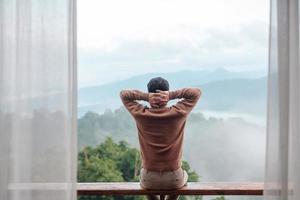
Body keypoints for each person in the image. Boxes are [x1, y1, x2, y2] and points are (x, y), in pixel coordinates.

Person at [120, 77, 201, 200]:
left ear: (149, 93)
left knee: (146, 184)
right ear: (166, 93)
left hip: (149, 178)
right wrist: (172, 95)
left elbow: (124, 94)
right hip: (174, 178)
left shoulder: (141, 114)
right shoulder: (178, 113)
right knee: (183, 176)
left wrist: (146, 96)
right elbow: (196, 92)